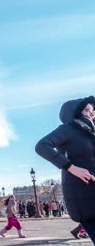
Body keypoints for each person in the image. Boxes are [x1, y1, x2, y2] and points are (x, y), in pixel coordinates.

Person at [36, 96, 95, 243]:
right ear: (75, 112)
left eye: (92, 111)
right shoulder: (68, 129)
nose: (90, 114)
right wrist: (71, 168)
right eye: (86, 110)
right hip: (83, 195)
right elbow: (42, 146)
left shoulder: (89, 134)